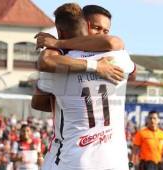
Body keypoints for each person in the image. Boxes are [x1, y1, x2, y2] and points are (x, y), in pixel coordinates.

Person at [37, 3, 135, 170]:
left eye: (105, 31)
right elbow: (119, 51)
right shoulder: (119, 57)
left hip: (71, 160)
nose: (101, 34)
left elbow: (38, 102)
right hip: (115, 162)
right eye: (97, 28)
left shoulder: (57, 65)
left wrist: (56, 45)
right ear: (86, 26)